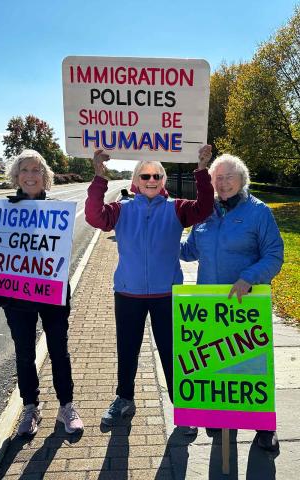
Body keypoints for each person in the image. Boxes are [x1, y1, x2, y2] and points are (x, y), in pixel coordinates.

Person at [85, 146, 214, 426]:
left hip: (166, 294)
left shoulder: (178, 208)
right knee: (127, 349)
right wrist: (98, 176)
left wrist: (202, 171)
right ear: (136, 180)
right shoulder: (121, 209)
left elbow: (205, 208)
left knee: (171, 351)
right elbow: (95, 217)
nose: (151, 179)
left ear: (164, 179)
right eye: (145, 175)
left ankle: (183, 407)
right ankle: (125, 398)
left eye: (157, 175)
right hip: (128, 293)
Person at [180, 153, 284, 452]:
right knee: (214, 362)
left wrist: (250, 277)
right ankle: (220, 413)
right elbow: (189, 251)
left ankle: (265, 426)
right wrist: (159, 239)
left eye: (229, 177)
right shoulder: (205, 212)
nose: (223, 183)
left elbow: (274, 255)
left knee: (251, 368)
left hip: (245, 304)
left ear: (242, 180)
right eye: (217, 178)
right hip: (210, 304)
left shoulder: (259, 212)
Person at [0, 149, 83, 436]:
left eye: (36, 170)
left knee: (59, 350)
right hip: (16, 298)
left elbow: (59, 256)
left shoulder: (57, 213)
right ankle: (30, 407)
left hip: (50, 293)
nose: (31, 175)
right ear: (16, 176)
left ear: (45, 176)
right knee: (23, 353)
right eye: (25, 170)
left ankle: (66, 405)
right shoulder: (2, 212)